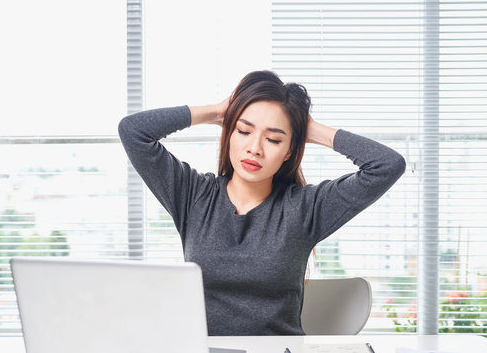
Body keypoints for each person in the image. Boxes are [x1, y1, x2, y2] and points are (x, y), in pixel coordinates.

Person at [118, 70, 406, 336]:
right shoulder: (193, 196)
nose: (254, 148)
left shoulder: (305, 208)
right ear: (228, 132)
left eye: (273, 139)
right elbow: (133, 131)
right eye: (243, 131)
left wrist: (309, 129)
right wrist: (219, 111)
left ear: (289, 151)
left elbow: (387, 165)